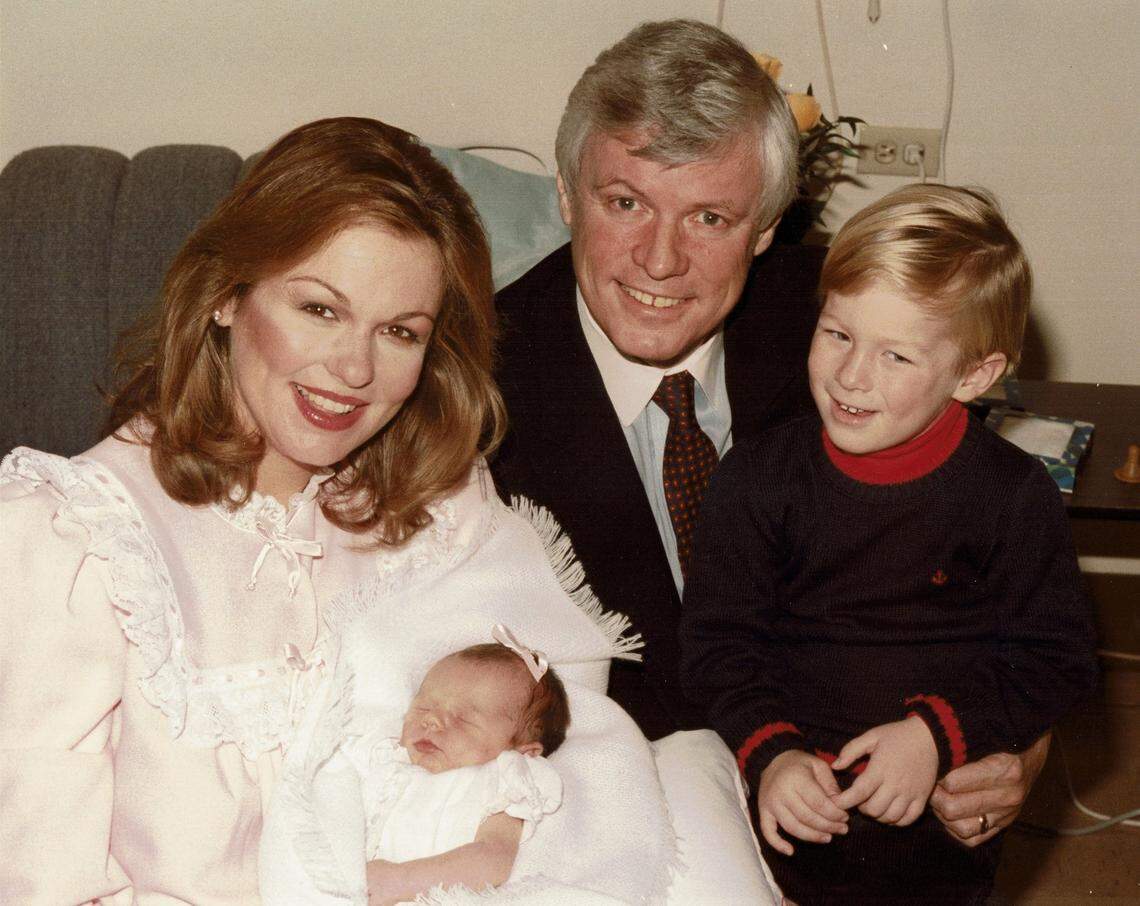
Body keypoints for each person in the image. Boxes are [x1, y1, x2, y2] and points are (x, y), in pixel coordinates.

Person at [490, 16, 1048, 847]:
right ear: (567, 196)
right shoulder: (477, 387)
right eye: (626, 202)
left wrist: (1019, 751)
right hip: (607, 818)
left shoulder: (844, 333)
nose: (660, 259)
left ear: (765, 229)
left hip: (861, 810)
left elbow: (991, 574)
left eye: (710, 218)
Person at [0, 116, 507, 904]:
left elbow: (537, 770)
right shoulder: (74, 539)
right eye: (320, 309)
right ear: (229, 295)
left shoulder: (447, 507)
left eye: (400, 332)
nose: (354, 368)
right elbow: (38, 885)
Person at [679, 184, 1099, 904]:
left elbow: (1055, 658)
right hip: (785, 813)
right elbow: (718, 645)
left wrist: (937, 736)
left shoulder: (1011, 495)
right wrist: (771, 754)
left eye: (896, 357)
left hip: (935, 834)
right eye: (837, 334)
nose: (850, 375)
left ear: (974, 376)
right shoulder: (758, 477)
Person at [263, 633, 568, 906]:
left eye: (463, 719)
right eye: (424, 707)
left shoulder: (502, 777)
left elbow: (494, 857)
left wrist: (399, 880)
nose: (432, 722)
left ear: (523, 753)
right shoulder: (384, 759)